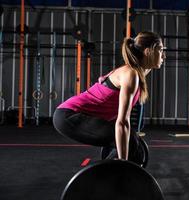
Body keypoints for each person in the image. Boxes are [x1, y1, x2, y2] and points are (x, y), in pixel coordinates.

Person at [53, 31, 165, 164]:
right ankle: (103, 179)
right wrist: (123, 161)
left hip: (75, 115)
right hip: (69, 116)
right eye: (160, 50)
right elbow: (122, 121)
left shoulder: (135, 74)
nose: (163, 55)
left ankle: (113, 177)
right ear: (148, 52)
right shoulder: (131, 74)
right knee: (129, 140)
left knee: (133, 142)